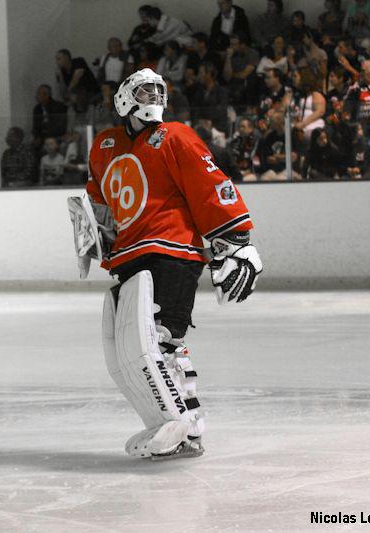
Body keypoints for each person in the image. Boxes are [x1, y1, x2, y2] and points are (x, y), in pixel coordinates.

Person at [75, 68, 261, 460]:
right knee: (134, 347)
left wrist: (236, 241)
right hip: (128, 254)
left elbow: (208, 183)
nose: (153, 97)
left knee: (162, 340)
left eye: (159, 91)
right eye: (144, 90)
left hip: (173, 249)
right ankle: (183, 427)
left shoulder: (174, 135)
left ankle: (185, 427)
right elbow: (99, 199)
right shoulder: (104, 145)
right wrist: (94, 234)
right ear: (124, 98)